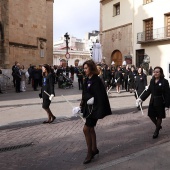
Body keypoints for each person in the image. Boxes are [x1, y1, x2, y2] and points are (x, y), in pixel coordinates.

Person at [80, 60, 112, 164]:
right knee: (91, 129)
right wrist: (81, 104)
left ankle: (89, 153)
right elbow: (84, 93)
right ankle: (94, 148)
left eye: (86, 68)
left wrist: (93, 103)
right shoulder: (86, 80)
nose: (84, 70)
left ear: (91, 68)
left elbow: (100, 96)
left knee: (86, 129)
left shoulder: (97, 80)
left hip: (94, 110)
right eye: (84, 68)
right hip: (88, 108)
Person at [137, 66, 170, 139]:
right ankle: (158, 126)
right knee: (151, 115)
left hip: (161, 102)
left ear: (160, 73)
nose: (156, 73)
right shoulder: (152, 81)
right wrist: (141, 98)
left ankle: (157, 130)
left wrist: (167, 105)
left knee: (159, 116)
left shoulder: (164, 81)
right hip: (152, 101)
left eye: (157, 72)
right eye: (155, 72)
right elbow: (149, 91)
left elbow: (167, 93)